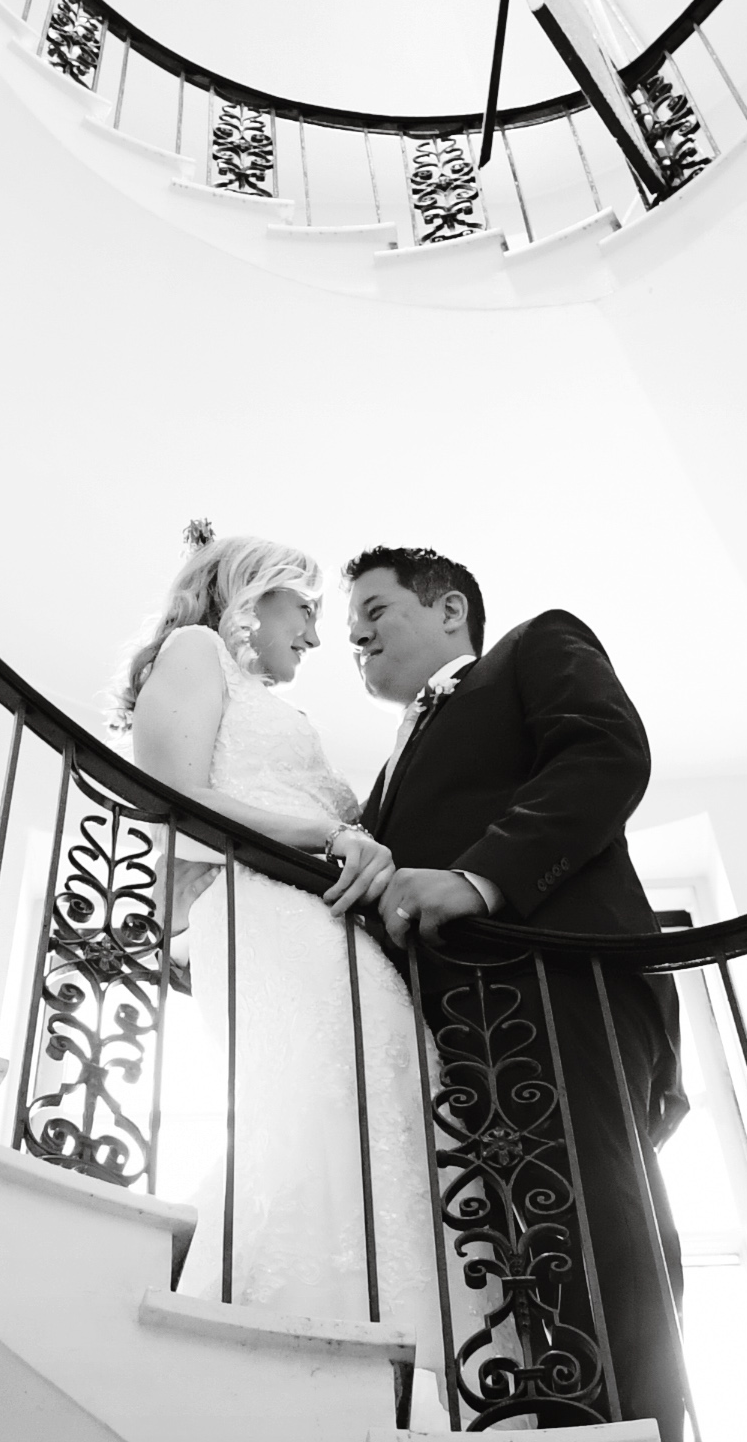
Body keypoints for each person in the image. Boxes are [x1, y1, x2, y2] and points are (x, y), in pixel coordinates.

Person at [324, 544, 689, 1442]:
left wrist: (483, 878)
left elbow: (606, 754)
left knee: (599, 1230)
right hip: (453, 1032)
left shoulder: (534, 649)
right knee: (509, 1253)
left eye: (375, 606)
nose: (353, 631)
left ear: (450, 611)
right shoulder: (386, 775)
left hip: (557, 984)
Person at [116, 525, 479, 1378]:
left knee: (388, 1097)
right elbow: (175, 801)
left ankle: (422, 1354)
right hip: (267, 915)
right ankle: (290, 1347)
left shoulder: (275, 703)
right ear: (255, 590)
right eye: (308, 610)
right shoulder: (195, 650)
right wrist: (325, 832)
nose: (318, 637)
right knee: (315, 1102)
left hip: (327, 928)